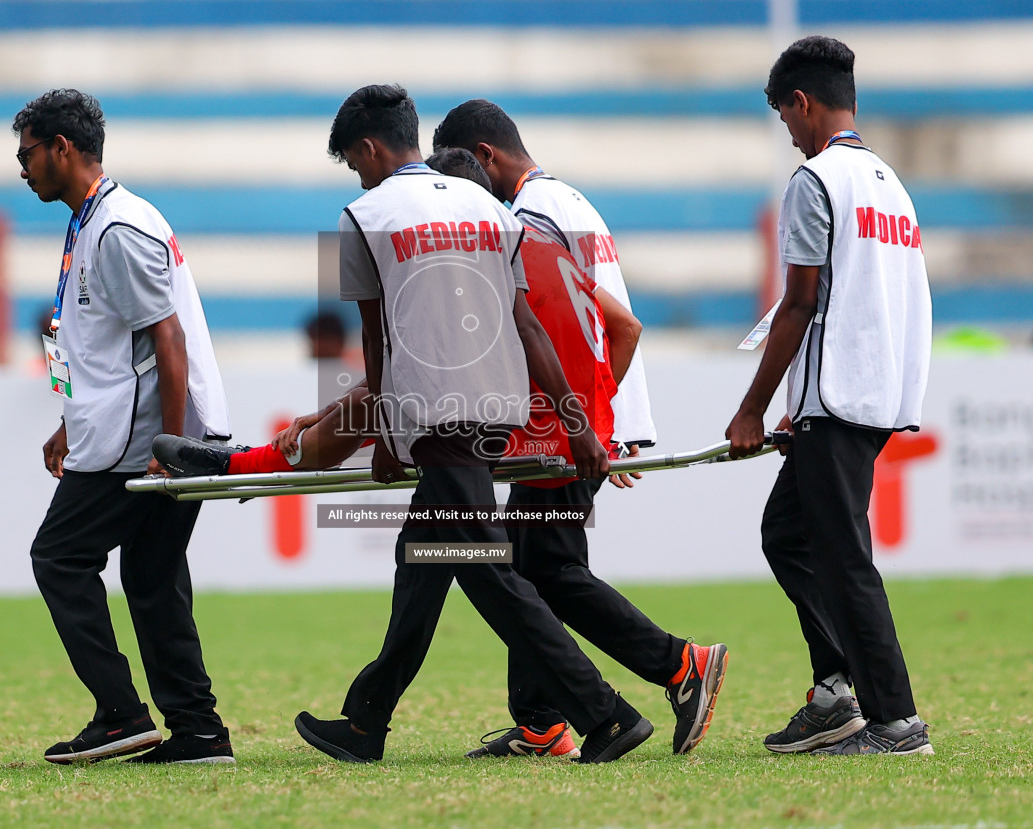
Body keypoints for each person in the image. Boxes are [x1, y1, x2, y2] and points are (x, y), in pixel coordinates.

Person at [155, 147, 729, 760]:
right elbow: (623, 327)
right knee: (433, 567)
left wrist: (580, 426)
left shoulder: (467, 259)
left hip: (522, 436)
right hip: (546, 431)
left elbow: (405, 375)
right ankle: (380, 721)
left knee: (525, 573)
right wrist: (598, 419)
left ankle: (629, 695)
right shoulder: (533, 243)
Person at [290, 85, 653, 764]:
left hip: (436, 417)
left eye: (354, 162)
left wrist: (389, 435)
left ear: (369, 149)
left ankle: (607, 714)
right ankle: (366, 719)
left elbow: (379, 340)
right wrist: (575, 421)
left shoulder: (364, 215)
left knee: (488, 573)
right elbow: (525, 325)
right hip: (501, 414)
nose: (356, 175)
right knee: (423, 559)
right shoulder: (487, 204)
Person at [724, 37, 935, 756]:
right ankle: (835, 692)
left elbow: (800, 301)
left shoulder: (815, 181)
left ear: (802, 103)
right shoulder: (887, 183)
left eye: (784, 114)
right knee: (788, 533)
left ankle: (895, 722)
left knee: (843, 558)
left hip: (839, 397)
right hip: (870, 391)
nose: (787, 128)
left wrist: (753, 407)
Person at [16, 89, 235, 766]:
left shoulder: (117, 227)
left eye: (27, 155)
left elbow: (167, 341)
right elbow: (89, 336)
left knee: (58, 556)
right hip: (136, 431)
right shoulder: (92, 224)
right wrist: (65, 416)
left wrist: (168, 450)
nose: (21, 169)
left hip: (141, 442)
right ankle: (198, 731)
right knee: (152, 576)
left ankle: (120, 714)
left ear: (63, 149)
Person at [431, 100, 658, 478]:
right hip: (592, 420)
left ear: (485, 156)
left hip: (566, 431)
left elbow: (554, 326)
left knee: (535, 531)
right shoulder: (571, 199)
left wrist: (591, 425)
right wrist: (609, 419)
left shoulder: (528, 220)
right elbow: (615, 321)